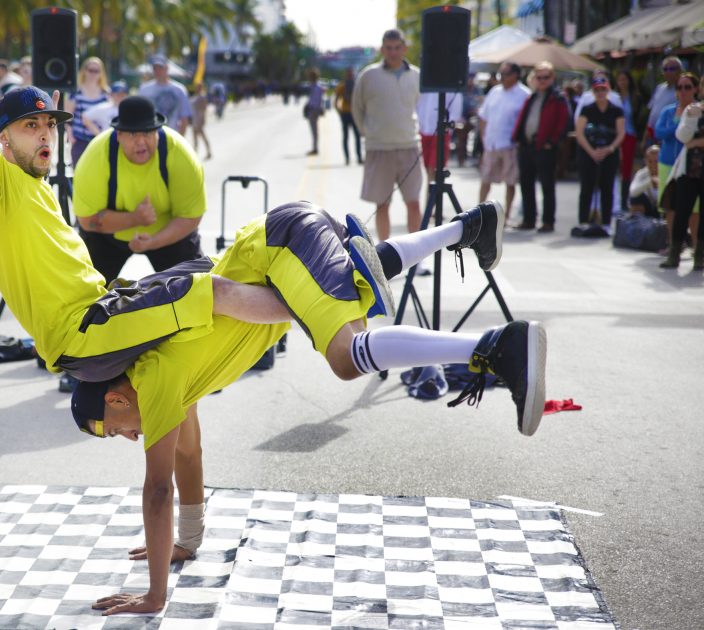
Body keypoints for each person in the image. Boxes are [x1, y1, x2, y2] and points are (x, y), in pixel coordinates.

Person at [71, 201, 547, 617]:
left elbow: (157, 489)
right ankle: (469, 227)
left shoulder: (153, 377)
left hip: (281, 247)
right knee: (358, 291)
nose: (130, 438)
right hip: (284, 247)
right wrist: (187, 542)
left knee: (345, 356)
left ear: (115, 397)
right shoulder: (171, 386)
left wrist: (155, 595)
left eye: (114, 430)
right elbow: (188, 457)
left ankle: (496, 346)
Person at [0, 52, 294, 385]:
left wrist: (46, 124)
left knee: (214, 269)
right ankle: (322, 304)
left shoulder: (37, 184)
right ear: (4, 138)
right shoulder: (2, 183)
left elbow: (189, 217)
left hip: (102, 306)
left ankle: (294, 310)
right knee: (214, 291)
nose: (45, 134)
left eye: (49, 126)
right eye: (31, 126)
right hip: (81, 330)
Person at [73, 95, 207, 284]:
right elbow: (87, 220)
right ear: (118, 135)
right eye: (133, 134)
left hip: (169, 235)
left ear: (158, 131)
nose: (141, 142)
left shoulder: (181, 155)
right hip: (106, 238)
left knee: (198, 291)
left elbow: (190, 217)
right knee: (80, 293)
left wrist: (153, 242)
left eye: (147, 133)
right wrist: (134, 219)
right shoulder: (95, 158)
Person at [351, 29, 422, 243]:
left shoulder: (416, 75)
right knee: (382, 204)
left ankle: (416, 256)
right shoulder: (368, 75)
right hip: (379, 148)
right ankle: (384, 255)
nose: (393, 52)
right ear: (382, 49)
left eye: (397, 47)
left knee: (414, 202)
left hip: (409, 147)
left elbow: (421, 105)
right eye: (388, 48)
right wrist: (369, 134)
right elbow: (357, 109)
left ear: (404, 48)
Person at [513, 61, 570, 232]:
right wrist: (519, 138)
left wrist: (551, 142)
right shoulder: (532, 96)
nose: (542, 80)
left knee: (547, 185)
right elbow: (524, 119)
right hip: (527, 146)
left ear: (552, 78)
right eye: (539, 77)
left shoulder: (558, 98)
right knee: (526, 183)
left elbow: (564, 123)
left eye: (545, 77)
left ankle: (548, 221)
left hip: (545, 148)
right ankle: (529, 219)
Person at [478, 62, 530, 223]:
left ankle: (507, 216)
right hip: (491, 143)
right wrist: (483, 138)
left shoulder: (524, 94)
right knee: (485, 179)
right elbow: (483, 116)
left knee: (510, 181)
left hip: (510, 144)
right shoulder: (495, 91)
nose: (502, 77)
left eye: (505, 73)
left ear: (516, 75)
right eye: (501, 73)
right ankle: (478, 214)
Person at [574, 76, 625, 237]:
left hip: (609, 153)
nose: (600, 93)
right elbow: (580, 133)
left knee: (607, 187)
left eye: (603, 89)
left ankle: (606, 223)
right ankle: (583, 221)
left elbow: (621, 133)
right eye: (597, 90)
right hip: (589, 152)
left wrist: (609, 149)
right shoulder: (587, 108)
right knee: (587, 187)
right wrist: (592, 152)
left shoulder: (616, 109)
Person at [655, 72, 700, 257]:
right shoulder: (668, 111)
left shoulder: (698, 111)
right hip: (667, 162)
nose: (682, 91)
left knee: (694, 208)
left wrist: (680, 128)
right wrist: (680, 126)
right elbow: (659, 132)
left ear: (696, 89)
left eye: (687, 87)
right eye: (679, 87)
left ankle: (697, 246)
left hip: (690, 164)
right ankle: (674, 244)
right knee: (670, 205)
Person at [663, 97, 704, 269]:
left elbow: (689, 142)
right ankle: (674, 254)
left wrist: (695, 142)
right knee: (681, 212)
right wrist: (692, 118)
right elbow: (681, 136)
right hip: (689, 171)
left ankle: (700, 257)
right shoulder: (693, 110)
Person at [65, 56, 110, 166]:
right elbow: (68, 116)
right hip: (80, 139)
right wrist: (71, 136)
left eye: (96, 71)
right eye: (90, 70)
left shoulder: (106, 93)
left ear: (101, 73)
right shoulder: (75, 92)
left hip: (99, 139)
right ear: (84, 71)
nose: (93, 74)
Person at [416, 90, 463, 183]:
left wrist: (448, 129)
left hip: (440, 133)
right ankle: (430, 196)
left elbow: (455, 110)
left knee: (433, 170)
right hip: (422, 131)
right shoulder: (424, 80)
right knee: (425, 168)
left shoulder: (451, 85)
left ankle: (430, 197)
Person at [138, 55, 192, 135]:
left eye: (160, 68)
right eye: (155, 68)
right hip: (150, 136)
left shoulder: (179, 89)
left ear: (167, 68)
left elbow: (184, 117)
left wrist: (180, 138)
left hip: (172, 135)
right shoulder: (144, 89)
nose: (157, 71)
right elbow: (139, 116)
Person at [615, 70, 644, 211]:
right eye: (619, 80)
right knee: (614, 167)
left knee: (627, 169)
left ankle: (624, 202)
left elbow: (639, 119)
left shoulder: (635, 98)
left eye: (624, 79)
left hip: (630, 135)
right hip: (614, 136)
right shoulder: (613, 97)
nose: (622, 82)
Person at [645, 56, 682, 149]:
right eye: (665, 69)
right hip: (652, 135)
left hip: (668, 136)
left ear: (679, 71)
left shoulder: (682, 90)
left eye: (671, 69)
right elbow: (652, 113)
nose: (668, 72)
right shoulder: (659, 88)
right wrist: (645, 137)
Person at [334, 67, 362, 166]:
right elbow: (336, 100)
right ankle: (347, 158)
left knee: (357, 136)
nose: (350, 75)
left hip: (354, 113)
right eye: (348, 74)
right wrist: (339, 111)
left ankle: (359, 157)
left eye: (351, 74)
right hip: (345, 113)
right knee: (346, 136)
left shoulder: (357, 86)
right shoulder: (342, 86)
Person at [629, 145, 660, 218]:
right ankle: (638, 224)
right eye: (650, 161)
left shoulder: (666, 172)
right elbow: (632, 192)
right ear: (645, 161)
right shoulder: (641, 173)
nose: (653, 165)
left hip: (662, 210)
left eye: (656, 161)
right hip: (648, 209)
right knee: (636, 197)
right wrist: (649, 182)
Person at [304, 68, 324, 156]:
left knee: (314, 130)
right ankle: (315, 147)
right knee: (314, 130)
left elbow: (317, 100)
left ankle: (315, 148)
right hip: (313, 109)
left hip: (313, 110)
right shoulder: (315, 87)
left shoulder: (316, 87)